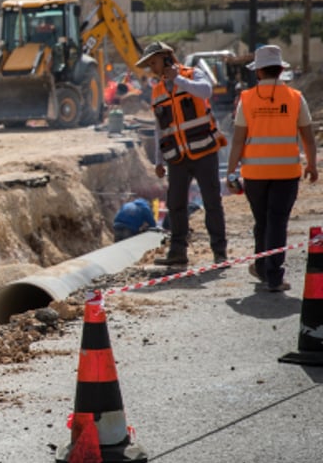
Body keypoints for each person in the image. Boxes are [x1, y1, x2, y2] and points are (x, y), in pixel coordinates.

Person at [225, 44, 318, 292]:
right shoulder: (295, 98)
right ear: (280, 70)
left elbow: (238, 140)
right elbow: (308, 137)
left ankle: (262, 266)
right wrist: (312, 164)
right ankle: (273, 275)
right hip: (286, 174)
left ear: (258, 72)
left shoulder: (247, 99)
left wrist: (231, 172)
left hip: (254, 174)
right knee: (277, 222)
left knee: (262, 221)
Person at [136, 41, 229, 266]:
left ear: (167, 57)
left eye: (154, 62)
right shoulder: (157, 90)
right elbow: (160, 128)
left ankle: (219, 252)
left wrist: (178, 79)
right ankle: (178, 252)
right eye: (149, 64)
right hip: (177, 157)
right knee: (175, 204)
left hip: (203, 151)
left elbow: (205, 91)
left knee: (212, 202)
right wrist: (159, 160)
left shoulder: (193, 75)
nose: (152, 68)